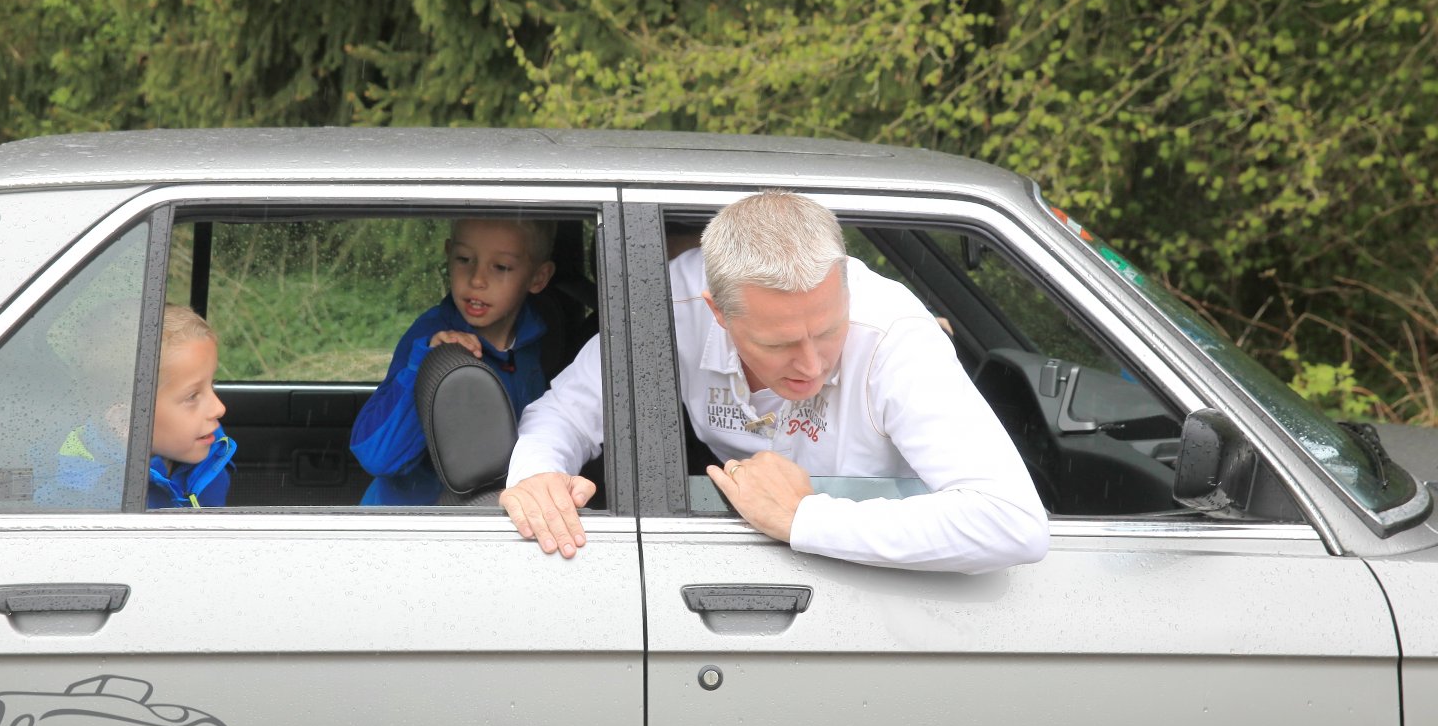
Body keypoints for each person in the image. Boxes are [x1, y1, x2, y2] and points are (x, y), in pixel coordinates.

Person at [502, 190, 1049, 573]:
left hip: (890, 582)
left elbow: (1013, 522)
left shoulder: (894, 334)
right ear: (717, 313)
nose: (811, 364)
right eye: (779, 343)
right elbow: (563, 413)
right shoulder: (671, 303)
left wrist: (803, 519)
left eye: (828, 331)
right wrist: (537, 476)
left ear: (844, 289)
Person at [351, 217, 557, 505]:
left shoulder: (532, 341)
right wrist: (427, 363)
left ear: (538, 278)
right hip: (408, 520)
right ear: (448, 254)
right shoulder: (429, 336)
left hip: (484, 513)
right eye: (464, 259)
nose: (477, 280)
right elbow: (378, 456)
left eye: (501, 267)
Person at [38, 303, 236, 509]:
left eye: (212, 385)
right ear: (125, 420)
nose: (219, 408)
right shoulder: (82, 500)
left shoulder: (212, 454)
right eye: (192, 396)